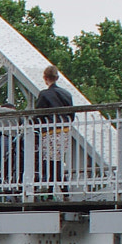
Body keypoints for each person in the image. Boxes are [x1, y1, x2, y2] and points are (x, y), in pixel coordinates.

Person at [33, 66, 75, 195]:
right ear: (57, 78)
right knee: (57, 160)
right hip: (64, 130)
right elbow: (71, 115)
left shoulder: (44, 94)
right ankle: (59, 188)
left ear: (45, 78)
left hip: (50, 131)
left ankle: (57, 189)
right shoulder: (67, 94)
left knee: (50, 161)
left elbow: (38, 114)